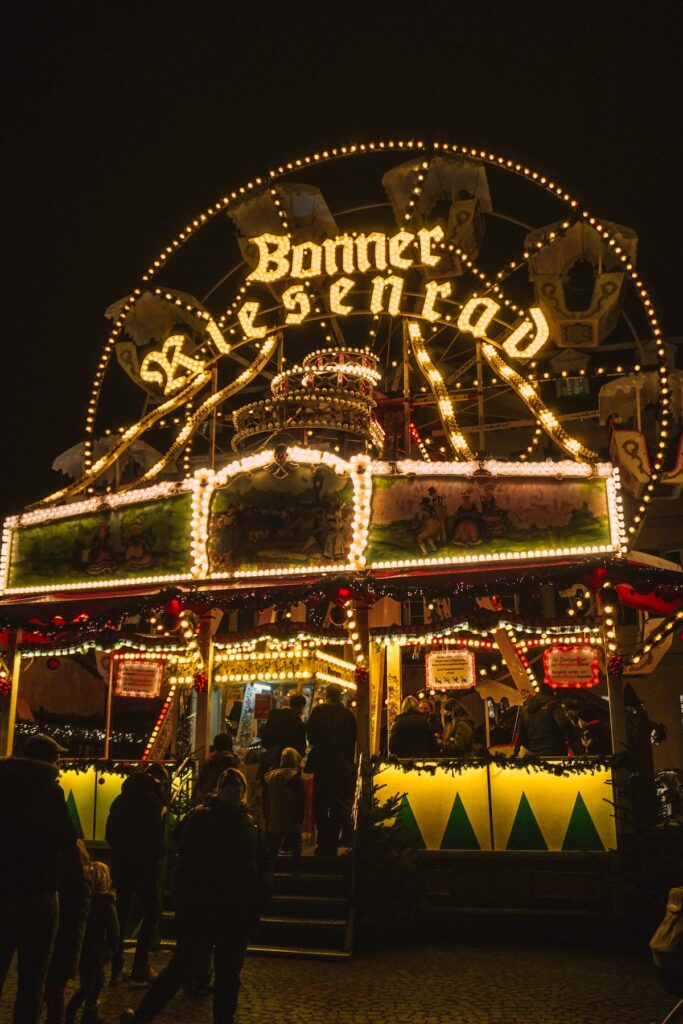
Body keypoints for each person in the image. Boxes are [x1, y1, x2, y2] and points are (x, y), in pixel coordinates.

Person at [119, 768, 270, 1024]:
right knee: (197, 970)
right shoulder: (241, 824)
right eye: (229, 785)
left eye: (237, 786)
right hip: (213, 910)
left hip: (223, 910)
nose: (233, 790)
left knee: (212, 972)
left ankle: (146, 1015)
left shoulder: (235, 823)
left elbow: (260, 868)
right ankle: (146, 1015)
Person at [0, 733, 78, 1024]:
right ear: (47, 760)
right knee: (33, 976)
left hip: (4, 887)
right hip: (39, 890)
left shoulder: (3, 785)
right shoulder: (48, 790)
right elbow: (67, 837)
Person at [105, 764, 167, 984]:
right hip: (145, 865)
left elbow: (110, 833)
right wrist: (159, 852)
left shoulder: (120, 800)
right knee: (152, 911)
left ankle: (115, 963)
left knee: (121, 912)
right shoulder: (152, 803)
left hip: (123, 864)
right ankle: (140, 965)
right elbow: (154, 836)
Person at [44, 838, 93, 1024]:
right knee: (54, 993)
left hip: (60, 944)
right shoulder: (81, 884)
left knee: (51, 993)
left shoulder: (67, 884)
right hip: (67, 946)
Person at [65, 861, 119, 1024]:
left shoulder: (83, 901)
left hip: (83, 948)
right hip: (96, 950)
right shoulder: (107, 904)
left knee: (89, 982)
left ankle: (80, 1011)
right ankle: (82, 1012)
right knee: (95, 982)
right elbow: (114, 931)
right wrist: (110, 951)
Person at [306, 683, 357, 856]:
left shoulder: (319, 711)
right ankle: (333, 839)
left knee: (320, 803)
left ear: (327, 694)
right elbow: (353, 739)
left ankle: (323, 840)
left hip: (323, 764)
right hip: (342, 766)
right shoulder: (348, 714)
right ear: (340, 695)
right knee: (337, 804)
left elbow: (311, 736)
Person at [264, 747, 305, 873]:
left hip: (274, 816)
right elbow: (300, 800)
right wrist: (300, 817)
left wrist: (267, 815)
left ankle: (270, 870)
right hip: (291, 816)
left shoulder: (271, 777)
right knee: (295, 845)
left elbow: (266, 799)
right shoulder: (295, 777)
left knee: (273, 846)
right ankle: (295, 870)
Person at [513, 684, 581, 757]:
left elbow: (521, 737)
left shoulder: (526, 711)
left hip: (534, 754)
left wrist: (516, 755)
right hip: (555, 753)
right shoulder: (553, 705)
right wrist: (574, 736)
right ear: (551, 693)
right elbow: (564, 723)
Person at [197, 733, 239, 804]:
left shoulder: (209, 761)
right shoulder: (233, 762)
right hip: (228, 802)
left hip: (209, 800)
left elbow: (201, 783)